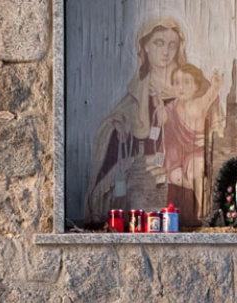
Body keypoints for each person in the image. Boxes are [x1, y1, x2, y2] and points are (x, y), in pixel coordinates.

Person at [85, 17, 187, 224]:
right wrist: (118, 130)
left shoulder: (187, 91)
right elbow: (110, 138)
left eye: (172, 45)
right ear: (145, 47)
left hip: (177, 173)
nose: (165, 51)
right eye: (158, 43)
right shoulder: (135, 98)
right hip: (141, 175)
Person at [159, 63, 223, 225]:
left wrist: (215, 83)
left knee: (197, 172)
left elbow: (212, 93)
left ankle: (203, 212)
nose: (181, 87)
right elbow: (156, 121)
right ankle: (183, 215)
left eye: (187, 82)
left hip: (196, 152)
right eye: (177, 82)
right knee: (177, 177)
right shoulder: (170, 108)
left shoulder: (199, 104)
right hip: (176, 156)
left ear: (196, 86)